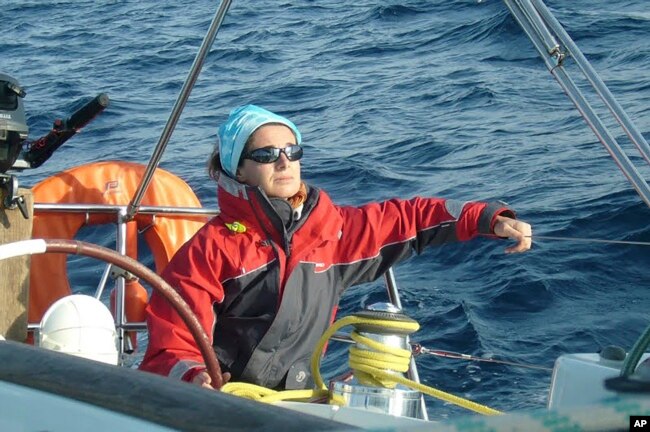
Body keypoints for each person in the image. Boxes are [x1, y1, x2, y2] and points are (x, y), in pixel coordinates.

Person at [139, 104, 532, 390]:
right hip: (225, 405)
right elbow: (172, 342)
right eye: (266, 154)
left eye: (292, 151)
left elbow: (410, 218)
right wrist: (195, 378)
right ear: (237, 169)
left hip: (303, 402)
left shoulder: (333, 231)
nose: (284, 162)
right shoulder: (212, 249)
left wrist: (488, 218)